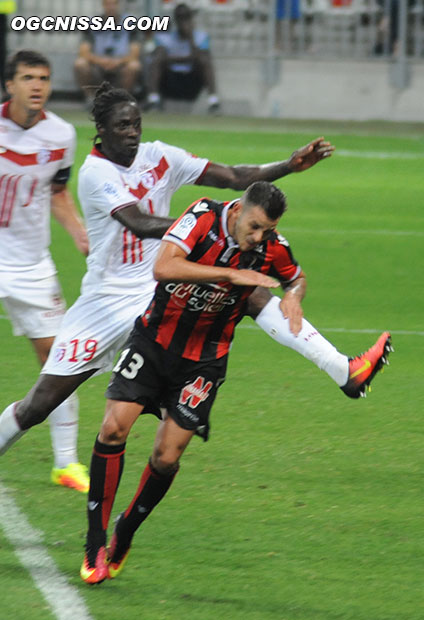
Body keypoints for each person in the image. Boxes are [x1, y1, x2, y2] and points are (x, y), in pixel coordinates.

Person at [0, 83, 391, 474]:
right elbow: (137, 222)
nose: (133, 132)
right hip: (106, 302)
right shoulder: (94, 172)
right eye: (123, 125)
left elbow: (235, 177)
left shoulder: (161, 157)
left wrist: (289, 165)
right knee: (41, 402)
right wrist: (205, 229)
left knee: (247, 289)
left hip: (160, 287)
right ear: (101, 129)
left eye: (136, 123)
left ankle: (344, 370)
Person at [80, 182, 382, 583]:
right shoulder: (204, 215)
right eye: (254, 226)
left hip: (204, 361)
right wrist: (229, 273)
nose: (258, 237)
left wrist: (294, 295)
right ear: (239, 209)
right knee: (114, 428)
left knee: (167, 457)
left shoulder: (270, 244)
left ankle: (124, 533)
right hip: (154, 342)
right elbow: (164, 266)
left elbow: (296, 275)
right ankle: (94, 543)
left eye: (267, 230)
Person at [0, 50, 90, 492]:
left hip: (30, 265)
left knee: (60, 357)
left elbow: (59, 192)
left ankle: (65, 462)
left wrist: (79, 232)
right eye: (27, 77)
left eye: (44, 78)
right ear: (9, 85)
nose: (37, 85)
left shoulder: (61, 134)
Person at [145, 3, 220, 114]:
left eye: (186, 17)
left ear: (191, 19)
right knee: (156, 59)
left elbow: (199, 58)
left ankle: (213, 102)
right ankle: (153, 100)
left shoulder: (201, 37)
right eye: (180, 18)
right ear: (175, 20)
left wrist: (190, 39)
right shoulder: (165, 38)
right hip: (171, 80)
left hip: (192, 80)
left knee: (204, 60)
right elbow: (159, 58)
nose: (183, 21)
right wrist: (187, 58)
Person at [73, 0, 142, 107]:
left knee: (134, 65)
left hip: (121, 65)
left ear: (118, 5)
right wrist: (101, 61)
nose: (111, 7)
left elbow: (135, 53)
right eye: (108, 4)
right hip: (98, 65)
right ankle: (90, 98)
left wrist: (117, 62)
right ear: (103, 5)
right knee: (80, 63)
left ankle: (122, 99)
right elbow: (83, 52)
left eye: (114, 4)